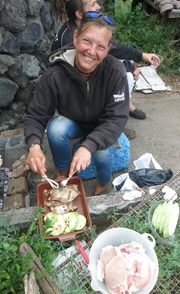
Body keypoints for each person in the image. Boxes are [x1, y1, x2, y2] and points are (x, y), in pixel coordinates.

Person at [24, 12, 129, 196]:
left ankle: (103, 182)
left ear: (108, 49)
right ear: (75, 37)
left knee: (102, 153)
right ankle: (63, 173)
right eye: (87, 41)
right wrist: (34, 146)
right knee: (56, 129)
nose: (91, 51)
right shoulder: (55, 73)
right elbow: (36, 115)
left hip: (102, 125)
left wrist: (88, 146)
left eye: (100, 47)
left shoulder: (115, 71)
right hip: (75, 122)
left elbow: (116, 118)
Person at [48, 0, 160, 124]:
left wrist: (140, 55)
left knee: (125, 67)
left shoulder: (77, 27)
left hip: (80, 86)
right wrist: (128, 67)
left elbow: (113, 48)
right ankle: (111, 124)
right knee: (126, 76)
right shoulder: (71, 40)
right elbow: (96, 66)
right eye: (93, 4)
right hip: (75, 99)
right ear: (79, 14)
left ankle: (125, 106)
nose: (98, 7)